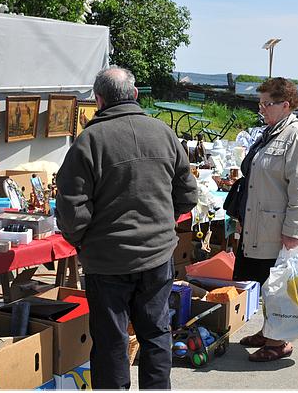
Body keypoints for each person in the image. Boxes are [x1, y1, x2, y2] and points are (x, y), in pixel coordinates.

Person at [55, 66, 198, 390]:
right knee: (156, 332)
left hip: (108, 261)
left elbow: (71, 208)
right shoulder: (163, 132)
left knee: (110, 341)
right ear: (134, 95)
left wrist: (82, 241)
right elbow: (188, 194)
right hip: (155, 256)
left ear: (99, 100)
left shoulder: (88, 141)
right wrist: (160, 224)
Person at [232, 77, 298, 362]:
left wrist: (294, 232)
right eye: (260, 103)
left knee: (278, 283)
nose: (262, 109)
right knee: (262, 279)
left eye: (267, 103)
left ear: (286, 104)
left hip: (279, 228)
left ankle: (279, 342)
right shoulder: (270, 132)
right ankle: (268, 330)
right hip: (259, 224)